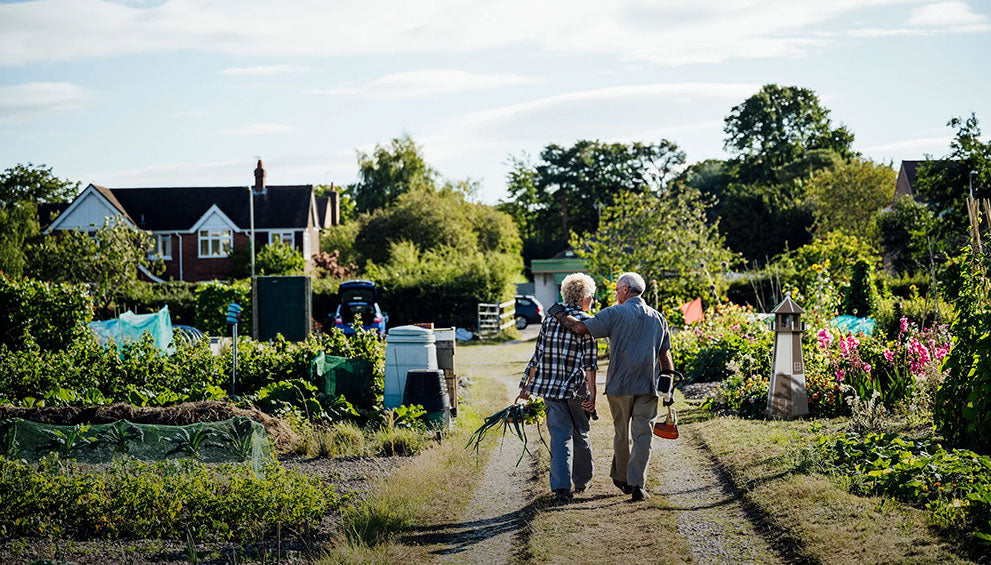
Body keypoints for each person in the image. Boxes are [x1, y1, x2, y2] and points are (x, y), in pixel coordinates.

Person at [547, 272, 672, 502]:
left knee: (622, 433)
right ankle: (637, 484)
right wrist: (668, 385)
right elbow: (665, 356)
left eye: (616, 290)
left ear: (625, 289)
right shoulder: (658, 318)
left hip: (621, 385)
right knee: (643, 435)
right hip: (649, 384)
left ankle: (623, 478)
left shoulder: (614, 314)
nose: (615, 294)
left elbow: (580, 328)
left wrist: (558, 313)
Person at [517, 273, 598, 503]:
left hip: (551, 388)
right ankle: (582, 482)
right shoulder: (587, 323)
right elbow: (590, 364)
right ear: (583, 297)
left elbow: (538, 355)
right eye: (590, 296)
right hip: (576, 388)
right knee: (580, 433)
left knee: (560, 436)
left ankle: (561, 488)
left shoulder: (549, 320)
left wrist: (526, 385)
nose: (591, 300)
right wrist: (592, 394)